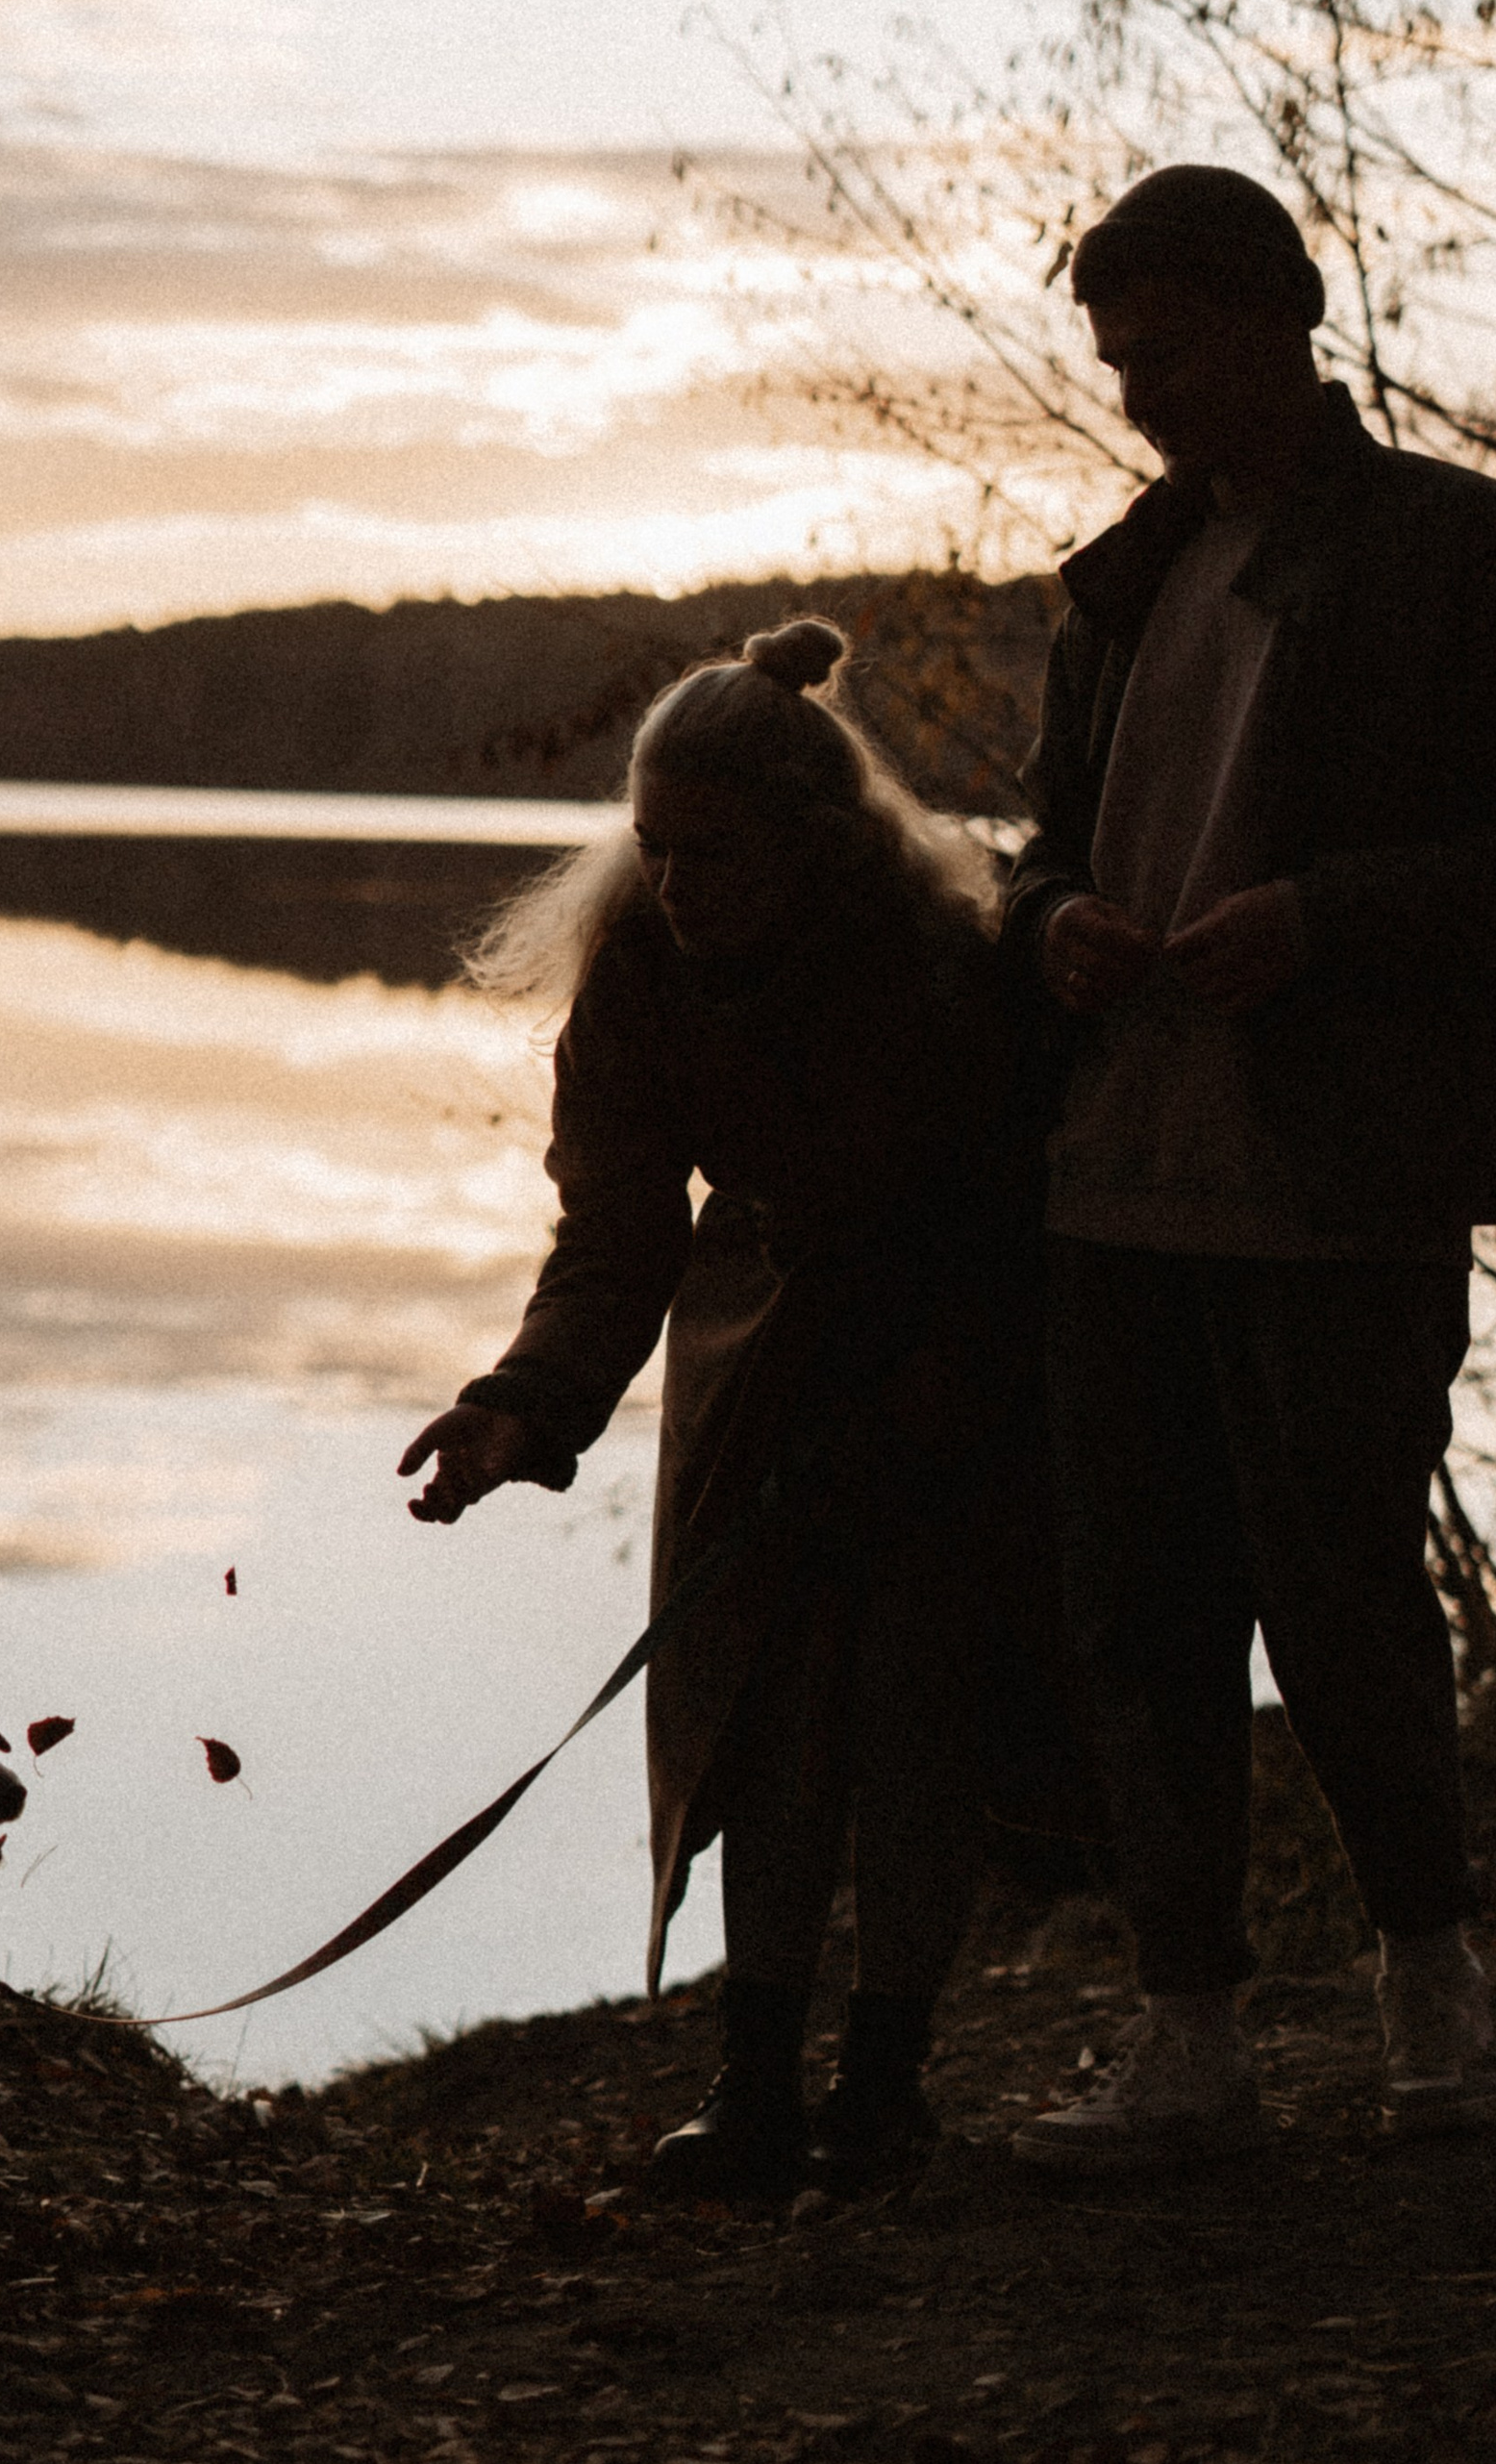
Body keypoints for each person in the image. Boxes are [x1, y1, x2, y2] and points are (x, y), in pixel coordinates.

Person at [1001, 166, 1496, 2172]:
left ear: (1282, 316)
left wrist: (1327, 919)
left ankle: (1429, 2000)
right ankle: (1184, 2040)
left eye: (1169, 354)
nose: (1141, 398)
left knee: (1342, 1590)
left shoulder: (1466, 554)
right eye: (1115, 364)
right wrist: (1046, 931)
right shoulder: (1124, 583)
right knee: (1137, 1611)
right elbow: (1035, 850)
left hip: (1336, 1181)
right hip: (1110, 1181)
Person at [400, 620, 1085, 2206]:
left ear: (813, 841)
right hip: (753, 1365)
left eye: (712, 851)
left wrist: (933, 1393)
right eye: (653, 849)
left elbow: (1017, 1212)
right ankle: (756, 2082)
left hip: (958, 1370)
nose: (679, 883)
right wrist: (524, 1405)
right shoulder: (638, 971)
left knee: (921, 1723)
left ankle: (888, 2086)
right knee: (755, 1725)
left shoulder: (949, 966)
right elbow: (615, 1228)